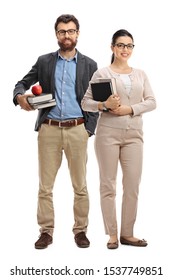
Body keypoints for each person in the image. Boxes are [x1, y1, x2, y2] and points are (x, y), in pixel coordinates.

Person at [13, 14, 99, 249]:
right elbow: (21, 83)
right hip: (49, 130)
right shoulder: (44, 62)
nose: (66, 35)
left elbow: (98, 100)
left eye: (71, 31)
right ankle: (46, 232)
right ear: (56, 35)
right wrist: (20, 97)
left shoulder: (90, 64)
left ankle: (81, 231)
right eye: (62, 31)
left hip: (77, 129)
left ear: (78, 33)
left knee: (80, 185)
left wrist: (88, 129)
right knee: (45, 186)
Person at [81, 29, 156, 249]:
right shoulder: (102, 74)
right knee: (108, 185)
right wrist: (105, 106)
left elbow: (152, 101)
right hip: (108, 134)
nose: (125, 50)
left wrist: (130, 109)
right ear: (112, 47)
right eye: (121, 45)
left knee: (132, 185)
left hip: (134, 136)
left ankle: (127, 233)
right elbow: (86, 103)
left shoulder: (140, 74)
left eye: (129, 46)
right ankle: (112, 235)